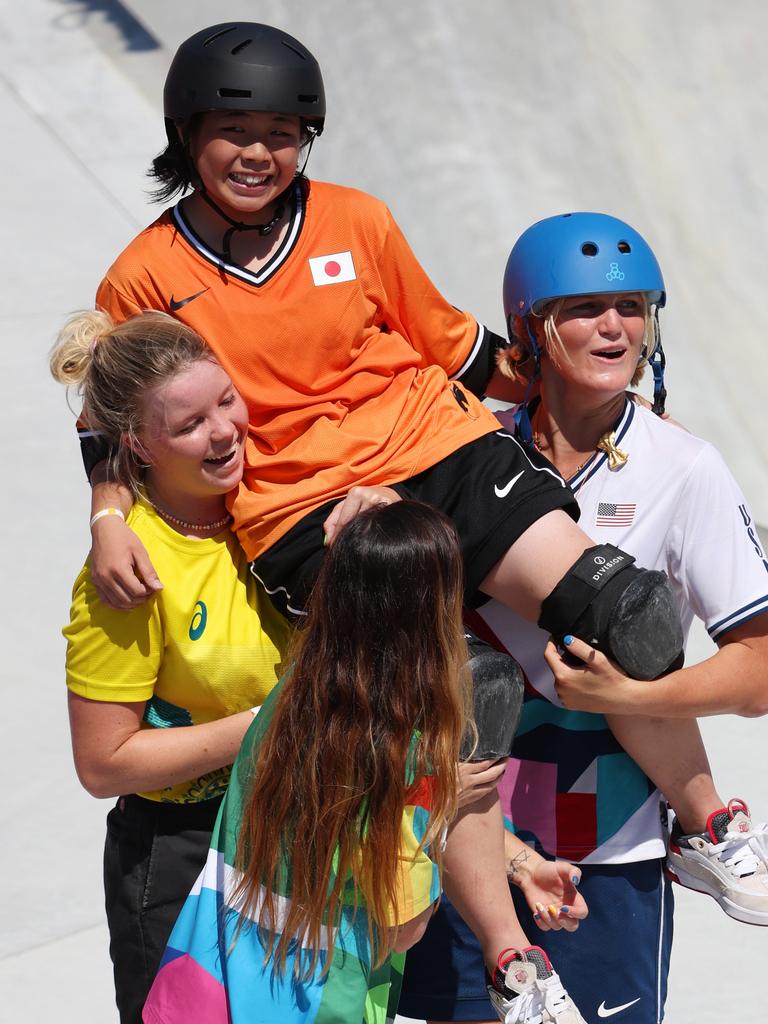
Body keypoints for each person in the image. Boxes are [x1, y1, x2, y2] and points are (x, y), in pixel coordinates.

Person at [81, 23, 688, 1023]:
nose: (258, 153)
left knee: (622, 608)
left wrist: (595, 402)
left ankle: (704, 827)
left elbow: (455, 347)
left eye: (282, 132)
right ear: (185, 133)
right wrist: (110, 512)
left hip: (434, 447)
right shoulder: (144, 273)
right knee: (462, 687)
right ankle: (508, 954)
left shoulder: (356, 221)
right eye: (234, 130)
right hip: (302, 507)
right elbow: (114, 409)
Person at [399, 212, 768, 1024]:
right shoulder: (462, 450)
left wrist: (631, 700)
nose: (615, 327)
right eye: (583, 309)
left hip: (608, 857)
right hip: (455, 837)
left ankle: (709, 828)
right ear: (531, 327)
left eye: (633, 307)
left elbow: (759, 669)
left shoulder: (686, 467)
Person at [141, 501, 473, 1023]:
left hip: (210, 988)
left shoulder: (285, 699)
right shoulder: (408, 755)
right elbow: (402, 926)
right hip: (318, 1005)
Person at [54, 310, 292, 1024]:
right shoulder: (127, 571)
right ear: (137, 445)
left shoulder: (281, 503)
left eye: (226, 400)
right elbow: (104, 764)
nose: (224, 431)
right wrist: (266, 724)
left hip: (299, 829)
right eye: (189, 424)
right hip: (183, 855)